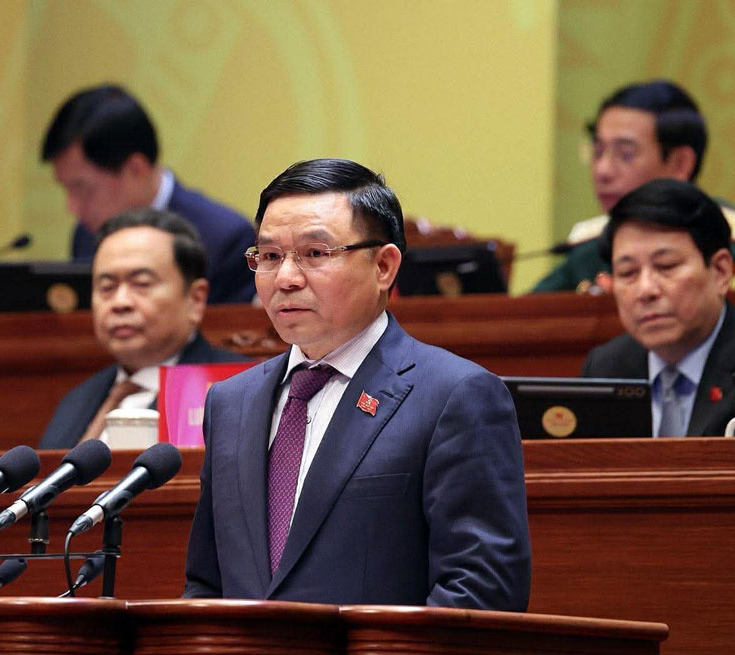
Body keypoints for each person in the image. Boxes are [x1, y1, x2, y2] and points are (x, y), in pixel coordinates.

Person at [183, 158, 531, 609]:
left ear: (384, 267)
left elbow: (481, 595)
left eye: (315, 254)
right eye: (269, 257)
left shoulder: (455, 396)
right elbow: (207, 585)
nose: (286, 278)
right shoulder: (230, 402)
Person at [0, 84, 255, 318]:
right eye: (65, 189)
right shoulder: (86, 234)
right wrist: (7, 323)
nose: (73, 208)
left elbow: (231, 350)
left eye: (82, 188)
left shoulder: (224, 238)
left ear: (135, 169)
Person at [582, 179, 735, 437]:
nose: (646, 290)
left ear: (721, 272)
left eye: (666, 266)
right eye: (627, 272)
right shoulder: (606, 367)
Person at [534, 80, 735, 293]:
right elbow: (524, 318)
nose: (602, 170)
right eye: (598, 151)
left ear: (680, 164)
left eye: (625, 154)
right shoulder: (589, 245)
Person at [39, 208, 249, 449]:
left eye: (141, 284)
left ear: (195, 299)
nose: (120, 302)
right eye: (107, 287)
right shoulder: (78, 398)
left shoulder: (235, 389)